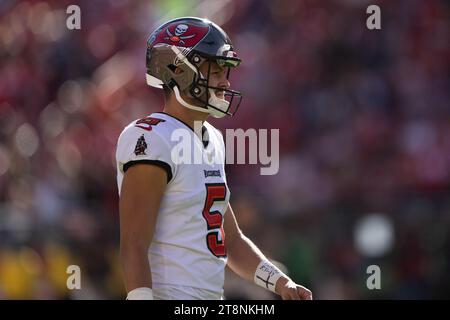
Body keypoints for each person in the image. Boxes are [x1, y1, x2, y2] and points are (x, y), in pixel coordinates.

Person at [116, 17, 312, 300]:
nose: (225, 81)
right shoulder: (152, 137)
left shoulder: (212, 139)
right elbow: (133, 243)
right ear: (179, 70)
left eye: (225, 71)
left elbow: (231, 239)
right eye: (215, 70)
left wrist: (281, 283)